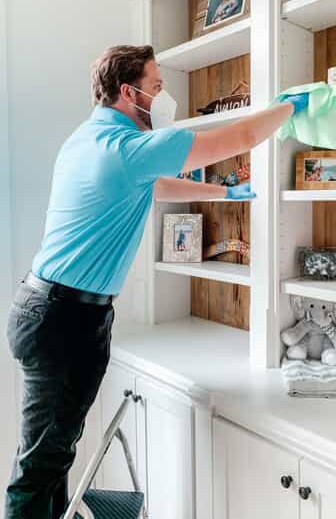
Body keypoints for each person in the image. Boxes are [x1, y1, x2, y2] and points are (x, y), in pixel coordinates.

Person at [4, 44, 308, 519]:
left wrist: (225, 191)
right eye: (158, 87)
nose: (164, 98)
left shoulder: (89, 139)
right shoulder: (129, 146)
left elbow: (156, 185)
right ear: (130, 93)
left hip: (50, 309)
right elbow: (243, 135)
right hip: (65, 317)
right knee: (42, 462)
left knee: (53, 452)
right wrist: (291, 107)